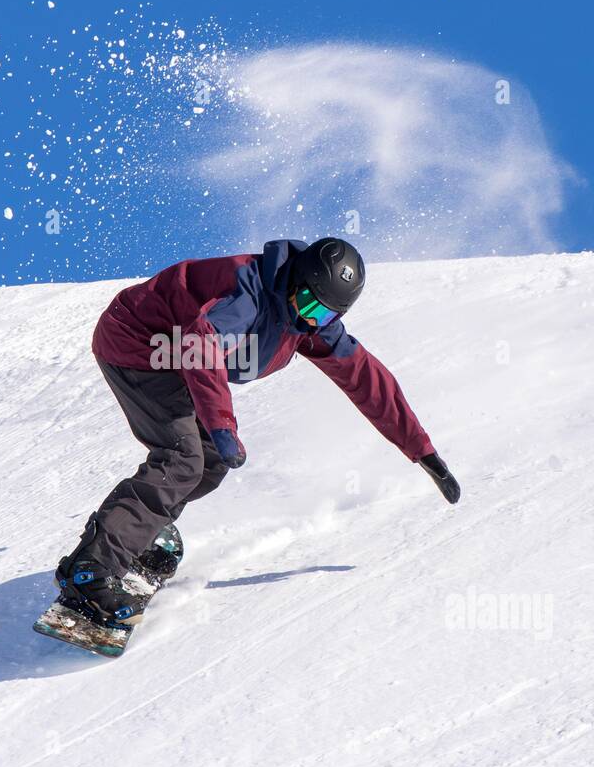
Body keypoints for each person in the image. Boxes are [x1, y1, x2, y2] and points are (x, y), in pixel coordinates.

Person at [55, 237, 460, 625]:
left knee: (210, 462)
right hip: (139, 345)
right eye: (308, 304)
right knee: (183, 458)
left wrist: (421, 450)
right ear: (296, 281)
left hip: (181, 359)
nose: (311, 318)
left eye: (325, 315)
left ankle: (136, 533)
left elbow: (365, 378)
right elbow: (201, 342)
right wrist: (222, 425)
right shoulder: (247, 291)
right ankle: (91, 569)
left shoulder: (310, 323)